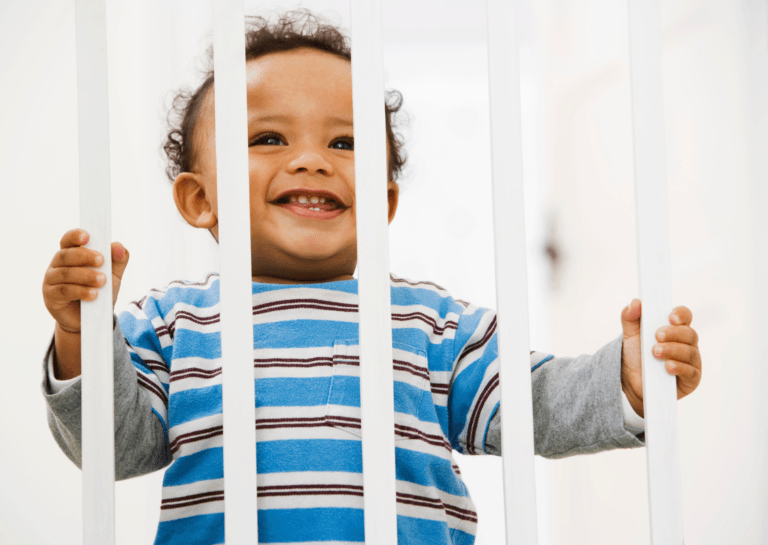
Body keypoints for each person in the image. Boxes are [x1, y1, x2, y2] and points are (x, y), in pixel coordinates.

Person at [40, 9, 702, 545]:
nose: (312, 160)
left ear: (383, 204)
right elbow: (114, 446)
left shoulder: (428, 322)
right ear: (199, 200)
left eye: (345, 143)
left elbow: (531, 403)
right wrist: (81, 335)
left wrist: (625, 380)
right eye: (268, 138)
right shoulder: (172, 322)